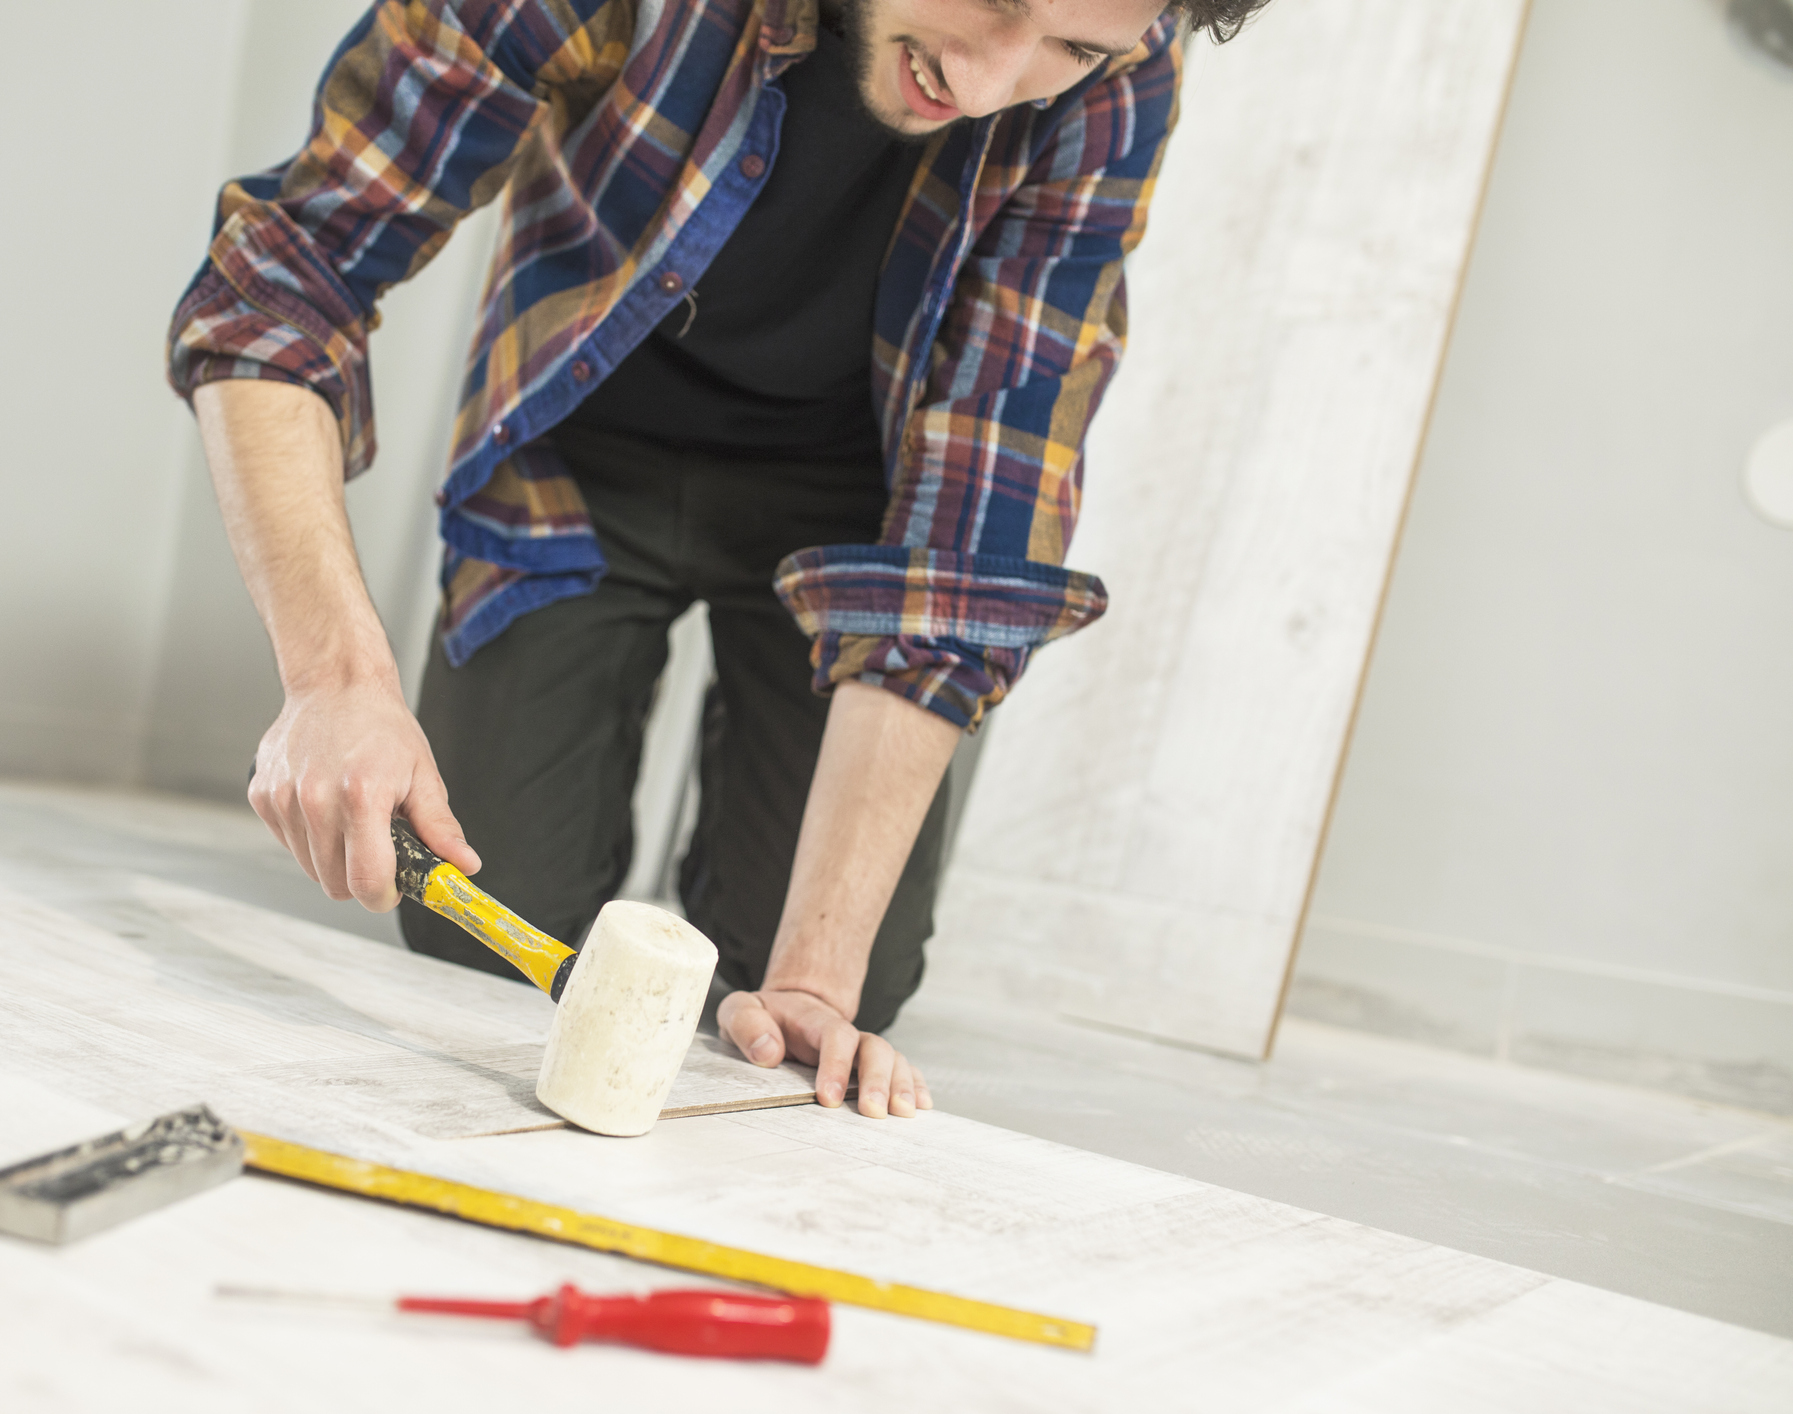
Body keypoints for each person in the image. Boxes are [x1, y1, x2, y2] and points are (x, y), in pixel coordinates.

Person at [168, 0, 1269, 1122]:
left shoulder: (1124, 64)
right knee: (486, 934)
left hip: (851, 509)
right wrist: (332, 681)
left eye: (1068, 51)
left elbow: (990, 495)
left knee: (844, 993)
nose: (987, 84)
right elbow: (286, 276)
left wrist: (809, 978)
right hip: (579, 453)